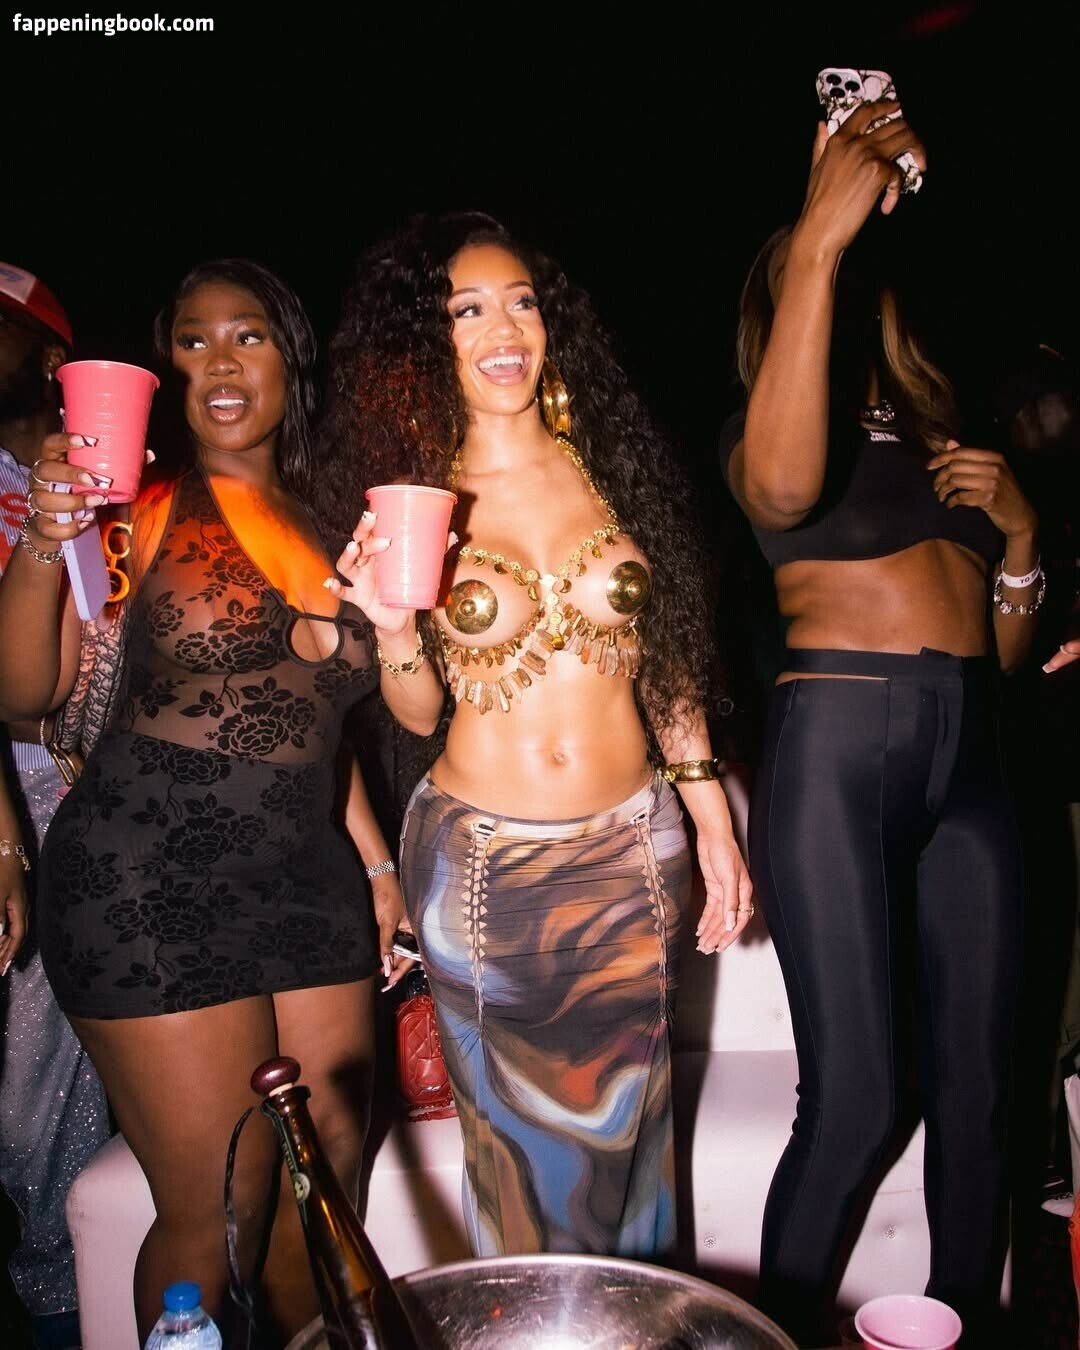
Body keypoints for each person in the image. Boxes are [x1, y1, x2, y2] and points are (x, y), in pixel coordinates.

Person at [316, 210, 753, 1260]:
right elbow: (419, 715)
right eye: (466, 310)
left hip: (632, 856)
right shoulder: (419, 496)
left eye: (521, 301)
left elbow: (668, 661)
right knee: (516, 1162)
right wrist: (393, 632)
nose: (503, 328)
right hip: (486, 875)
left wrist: (712, 821)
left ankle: (635, 1322)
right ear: (427, 342)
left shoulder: (611, 466)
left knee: (634, 1142)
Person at [0, 259, 411, 1343]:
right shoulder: (128, 512)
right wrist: (44, 536)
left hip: (307, 881)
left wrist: (376, 866)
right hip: (148, 877)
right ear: (166, 369)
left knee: (326, 1186)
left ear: (291, 358)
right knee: (220, 1204)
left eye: (248, 335)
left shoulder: (333, 525)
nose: (220, 362)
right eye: (192, 340)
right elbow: (27, 692)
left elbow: (314, 728)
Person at [719, 104, 1040, 1346]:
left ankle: (960, 1327)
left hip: (974, 756)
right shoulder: (770, 431)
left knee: (983, 1097)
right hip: (841, 743)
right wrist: (814, 238)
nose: (853, 288)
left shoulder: (950, 437)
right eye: (829, 271)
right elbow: (783, 486)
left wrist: (1021, 533)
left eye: (861, 271)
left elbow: (1002, 654)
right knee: (855, 1101)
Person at [0, 262, 111, 1350]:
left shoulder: (105, 469)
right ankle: (59, 1302)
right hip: (22, 778)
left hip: (116, 782)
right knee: (35, 1074)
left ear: (46, 354)